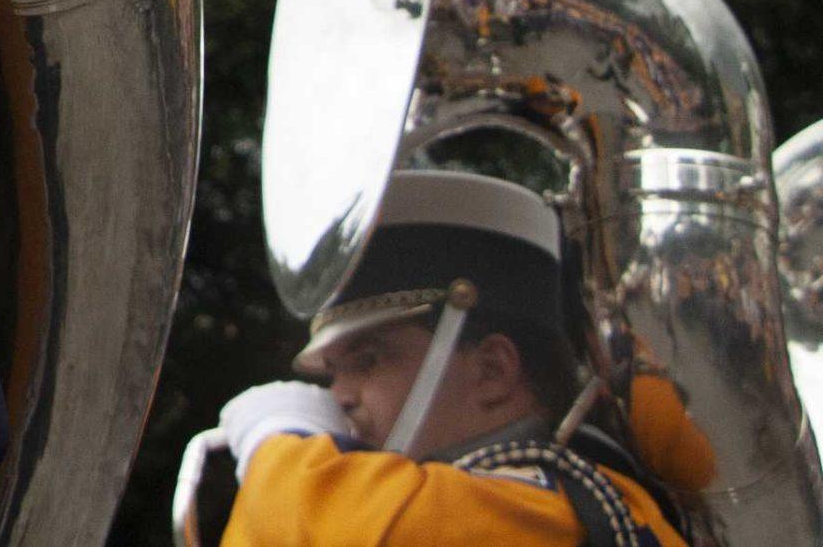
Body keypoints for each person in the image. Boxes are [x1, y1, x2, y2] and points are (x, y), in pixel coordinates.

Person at [213, 169, 686, 546]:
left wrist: (274, 442)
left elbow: (354, 532)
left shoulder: (550, 508)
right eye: (334, 373)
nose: (339, 396)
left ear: (493, 371)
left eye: (368, 360)